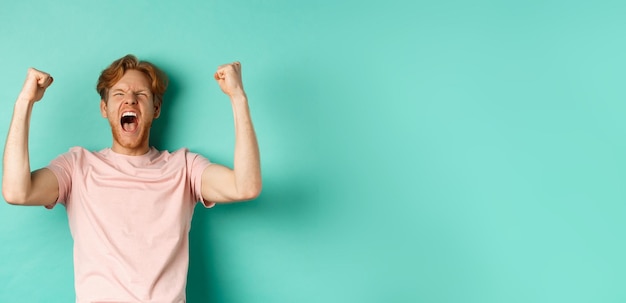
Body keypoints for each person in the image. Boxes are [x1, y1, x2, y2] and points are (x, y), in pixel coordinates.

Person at [2, 54, 262, 302]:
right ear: (105, 108)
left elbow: (245, 186)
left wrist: (238, 97)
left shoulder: (184, 168)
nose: (130, 101)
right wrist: (25, 101)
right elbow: (17, 192)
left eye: (141, 94)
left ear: (156, 108)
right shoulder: (77, 167)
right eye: (119, 94)